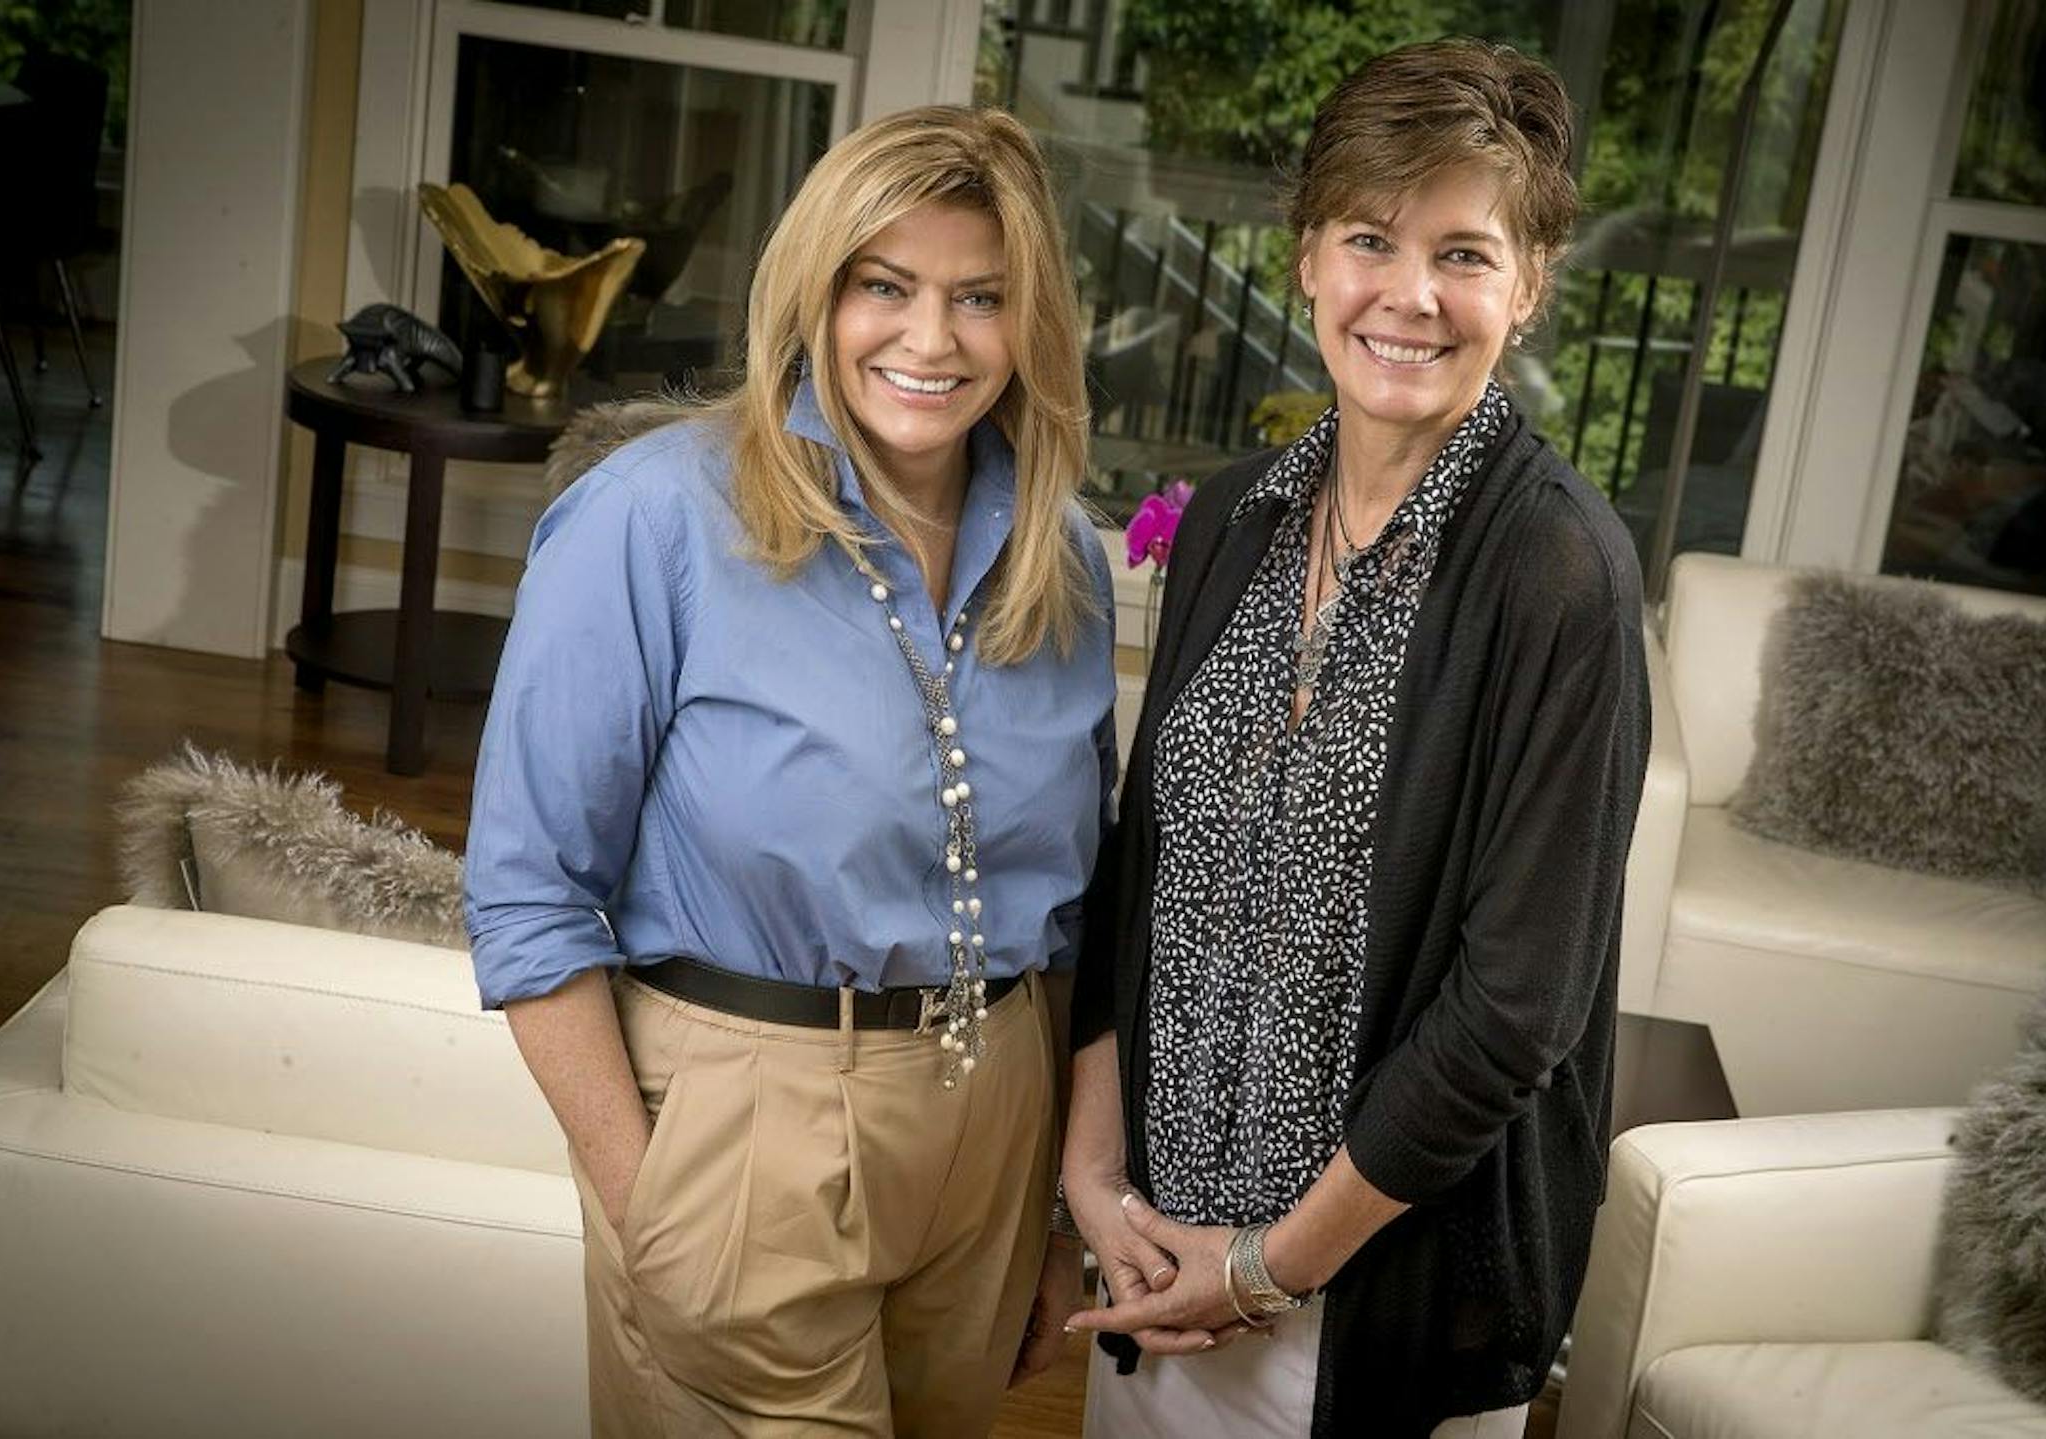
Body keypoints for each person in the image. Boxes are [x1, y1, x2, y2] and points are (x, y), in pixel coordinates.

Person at [463, 106, 1116, 1438]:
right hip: (745, 1128)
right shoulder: (655, 516)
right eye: (887, 286)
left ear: (1031, 323)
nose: (931, 341)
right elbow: (528, 892)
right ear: (815, 291)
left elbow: (1075, 921)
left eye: (980, 298)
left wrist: (1055, 1212)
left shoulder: (1066, 557)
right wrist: (646, 1198)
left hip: (993, 1128)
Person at [1061, 38, 1650, 1439]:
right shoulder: (1229, 521)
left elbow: (1517, 1012)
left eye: (1465, 253)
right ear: (1309, 259)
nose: (1411, 295)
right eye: (1372, 238)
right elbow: (1136, 871)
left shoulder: (1559, 575)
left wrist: (1268, 1271)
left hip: (1368, 1305)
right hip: (1153, 1255)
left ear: (1532, 285)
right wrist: (1093, 1174)